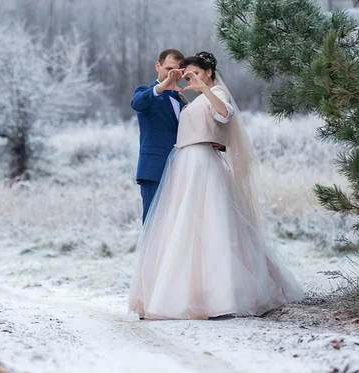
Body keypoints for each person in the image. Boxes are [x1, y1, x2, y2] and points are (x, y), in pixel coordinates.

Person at [128, 52, 304, 320]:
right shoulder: (174, 96)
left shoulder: (216, 93)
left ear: (208, 73)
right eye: (186, 74)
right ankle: (180, 293)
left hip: (200, 164)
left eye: (194, 73)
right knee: (181, 231)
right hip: (181, 165)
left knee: (212, 226)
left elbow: (224, 115)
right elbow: (148, 107)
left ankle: (219, 297)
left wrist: (204, 94)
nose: (189, 78)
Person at [131, 49, 186, 224]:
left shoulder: (181, 98)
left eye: (178, 71)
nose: (173, 75)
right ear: (158, 66)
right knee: (153, 223)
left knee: (176, 224)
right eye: (169, 69)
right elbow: (137, 104)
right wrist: (163, 86)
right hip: (154, 169)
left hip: (181, 168)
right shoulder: (146, 92)